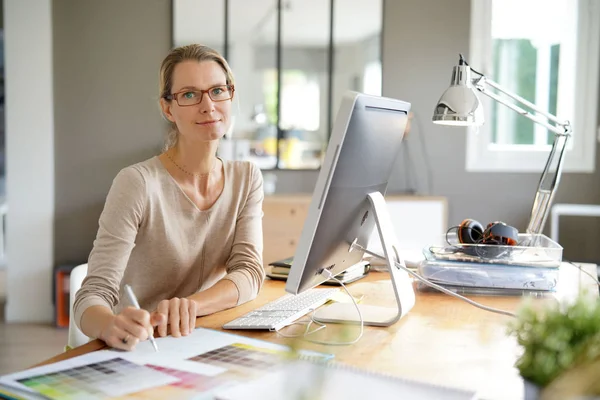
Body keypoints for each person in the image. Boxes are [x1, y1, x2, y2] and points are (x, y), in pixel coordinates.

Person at [73, 44, 265, 351]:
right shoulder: (137, 182)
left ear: (230, 94)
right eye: (189, 94)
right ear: (167, 108)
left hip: (206, 337)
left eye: (217, 90)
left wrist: (190, 306)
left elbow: (250, 273)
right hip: (144, 345)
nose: (208, 105)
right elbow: (91, 296)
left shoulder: (247, 179)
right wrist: (109, 325)